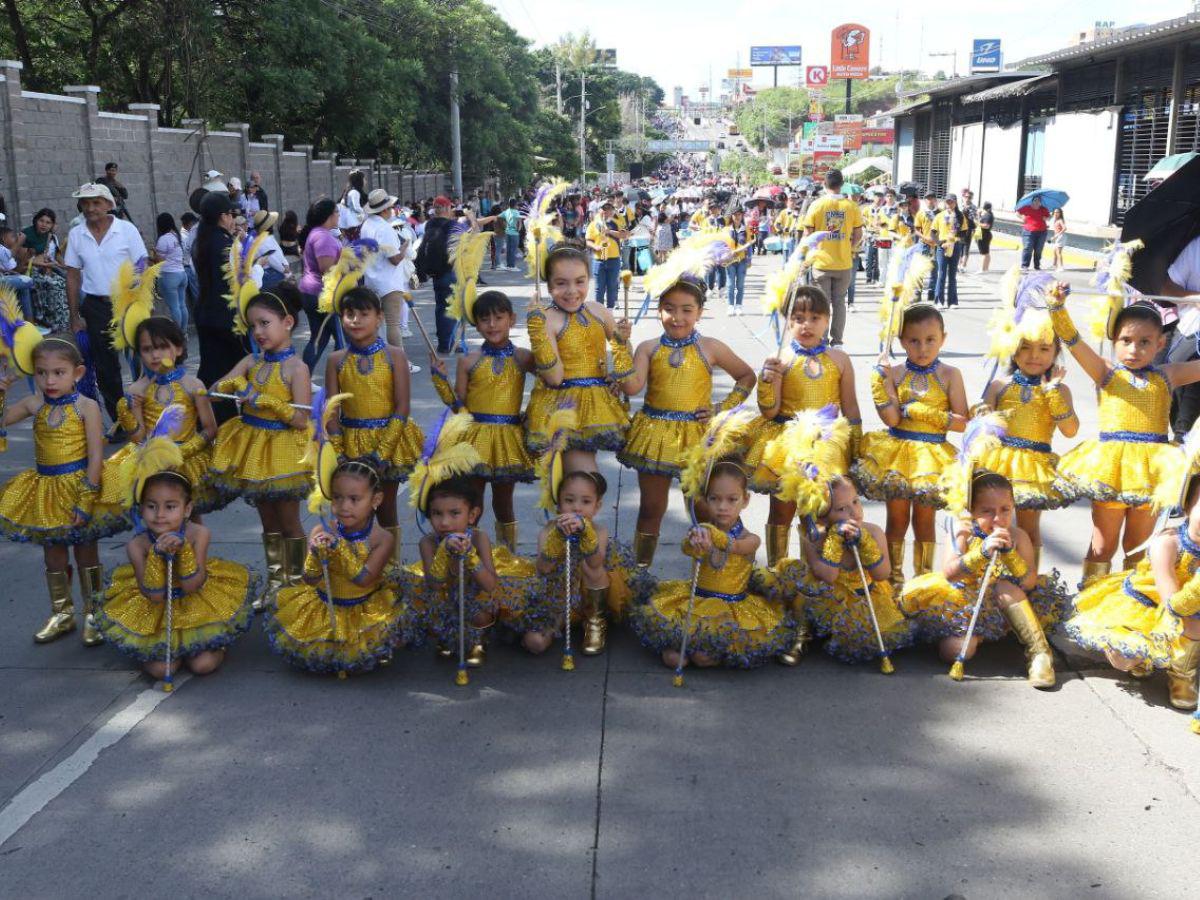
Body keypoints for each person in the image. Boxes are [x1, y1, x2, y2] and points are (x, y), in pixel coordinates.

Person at [1048, 288, 1200, 584]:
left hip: (1152, 471)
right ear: (1114, 341)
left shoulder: (1167, 375)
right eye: (1126, 340)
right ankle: (1090, 598)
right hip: (1111, 470)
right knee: (1102, 545)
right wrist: (1057, 307)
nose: (1134, 349)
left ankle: (1128, 599)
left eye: (1145, 342)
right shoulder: (1105, 373)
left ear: (1160, 343)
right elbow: (1072, 341)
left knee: (1137, 548)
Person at [617, 270, 755, 568]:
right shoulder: (648, 348)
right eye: (669, 309)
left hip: (697, 438)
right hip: (654, 437)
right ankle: (640, 571)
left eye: (687, 310)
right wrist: (620, 347)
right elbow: (631, 387)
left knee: (703, 507)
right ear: (659, 311)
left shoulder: (710, 347)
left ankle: (712, 571)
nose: (677, 317)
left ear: (700, 312)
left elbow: (746, 376)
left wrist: (722, 408)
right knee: (651, 507)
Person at [96, 443, 254, 681]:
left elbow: (192, 585)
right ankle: (148, 648)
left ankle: (217, 641)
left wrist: (184, 552)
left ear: (187, 509)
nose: (160, 515)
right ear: (141, 509)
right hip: (157, 608)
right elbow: (154, 595)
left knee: (203, 665)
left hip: (195, 603)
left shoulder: (199, 534)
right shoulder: (137, 546)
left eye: (170, 507)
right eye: (151, 506)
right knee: (162, 670)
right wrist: (156, 556)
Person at [1065, 445, 1200, 711]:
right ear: (1186, 506)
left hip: (1189, 610)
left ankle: (1182, 671)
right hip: (1149, 606)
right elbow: (1172, 606)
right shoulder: (1168, 544)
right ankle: (1164, 665)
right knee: (1125, 659)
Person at [900, 472, 1065, 688]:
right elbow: (950, 573)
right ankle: (980, 635)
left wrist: (1009, 554)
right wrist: (982, 553)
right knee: (955, 652)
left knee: (1004, 586)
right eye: (987, 511)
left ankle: (1040, 653)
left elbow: (1029, 582)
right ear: (971, 511)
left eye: (1005, 509)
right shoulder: (963, 532)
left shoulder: (1018, 536)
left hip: (1005, 605)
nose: (998, 519)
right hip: (964, 606)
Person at [629, 450, 787, 671]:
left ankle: (703, 651)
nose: (722, 507)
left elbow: (735, 546)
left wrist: (712, 536)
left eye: (732, 499)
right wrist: (695, 541)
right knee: (674, 658)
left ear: (745, 500)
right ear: (705, 499)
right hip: (697, 601)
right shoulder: (703, 532)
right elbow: (687, 548)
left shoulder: (749, 539)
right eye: (715, 498)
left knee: (703, 657)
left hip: (730, 609)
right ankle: (681, 647)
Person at [0, 336, 108, 645]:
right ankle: (62, 613)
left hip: (79, 489)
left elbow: (96, 456)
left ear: (77, 373)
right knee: (53, 555)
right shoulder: (34, 404)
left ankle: (94, 613)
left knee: (86, 551)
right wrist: (2, 392)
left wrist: (86, 499)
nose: (49, 381)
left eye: (59, 372)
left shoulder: (86, 407)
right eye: (41, 373)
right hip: (46, 492)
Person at [209, 288, 314, 605]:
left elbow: (301, 419)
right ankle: (275, 581)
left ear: (287, 322)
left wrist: (268, 401)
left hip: (284, 453)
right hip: (253, 451)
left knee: (289, 521)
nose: (258, 332)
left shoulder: (296, 368)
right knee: (268, 521)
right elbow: (215, 391)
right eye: (252, 325)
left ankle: (297, 586)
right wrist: (236, 383)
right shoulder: (250, 360)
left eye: (264, 323)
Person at [853, 304, 968, 592]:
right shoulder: (895, 373)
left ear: (943, 338)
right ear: (901, 341)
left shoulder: (951, 374)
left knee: (925, 520)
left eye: (930, 340)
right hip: (898, 456)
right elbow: (892, 418)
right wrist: (879, 383)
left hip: (933, 458)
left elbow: (962, 422)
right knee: (897, 519)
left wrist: (922, 412)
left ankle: (923, 579)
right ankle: (892, 582)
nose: (922, 348)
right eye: (914, 341)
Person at [745, 286, 859, 571]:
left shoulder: (840, 360)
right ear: (788, 322)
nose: (806, 325)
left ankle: (818, 571)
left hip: (827, 447)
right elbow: (770, 410)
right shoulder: (780, 359)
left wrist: (857, 448)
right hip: (788, 448)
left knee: (823, 511)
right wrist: (767, 381)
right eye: (798, 318)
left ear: (828, 320)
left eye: (814, 318)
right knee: (781, 511)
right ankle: (778, 571)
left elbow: (851, 408)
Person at [266, 457, 408, 675]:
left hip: (364, 608)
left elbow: (364, 579)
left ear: (376, 499)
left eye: (354, 499)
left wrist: (339, 548)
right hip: (326, 604)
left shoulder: (382, 538)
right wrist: (316, 554)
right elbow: (310, 579)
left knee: (378, 642)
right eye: (337, 497)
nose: (343, 507)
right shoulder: (321, 531)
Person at [976, 298, 1079, 571]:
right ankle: (992, 572)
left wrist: (1052, 393)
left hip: (1034, 467)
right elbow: (982, 421)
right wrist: (983, 412)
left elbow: (1070, 430)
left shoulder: (1060, 390)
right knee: (992, 522)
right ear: (1012, 349)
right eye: (1025, 347)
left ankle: (1029, 579)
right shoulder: (1000, 385)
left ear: (1056, 351)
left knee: (1029, 527)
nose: (1034, 356)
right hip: (998, 463)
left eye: (1044, 349)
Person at [429, 290, 535, 551]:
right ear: (476, 324)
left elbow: (549, 382)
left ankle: (507, 553)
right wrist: (440, 381)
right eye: (485, 319)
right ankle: (466, 550)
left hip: (507, 439)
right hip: (473, 440)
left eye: (499, 318)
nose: (492, 324)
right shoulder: (468, 361)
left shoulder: (522, 357)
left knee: (504, 500)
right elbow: (459, 405)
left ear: (512, 319)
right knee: (472, 499)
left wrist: (533, 415)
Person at [324, 285, 423, 557]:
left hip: (388, 441)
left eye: (364, 314)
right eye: (349, 314)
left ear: (379, 317)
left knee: (386, 508)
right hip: (350, 444)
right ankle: (355, 564)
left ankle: (391, 567)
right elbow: (331, 411)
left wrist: (382, 454)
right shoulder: (336, 360)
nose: (356, 320)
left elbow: (402, 407)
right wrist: (340, 453)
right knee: (353, 511)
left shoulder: (395, 355)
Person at [99, 316, 223, 522]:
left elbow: (210, 428)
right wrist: (128, 411)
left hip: (186, 461)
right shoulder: (137, 390)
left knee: (191, 518)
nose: (155, 355)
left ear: (179, 349)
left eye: (162, 347)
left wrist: (182, 451)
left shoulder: (192, 385)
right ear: (139, 354)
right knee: (157, 518)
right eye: (147, 349)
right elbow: (138, 438)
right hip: (151, 464)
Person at [784, 474, 912, 665]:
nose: (854, 512)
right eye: (842, 509)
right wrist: (834, 541)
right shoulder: (815, 538)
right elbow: (828, 575)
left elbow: (882, 574)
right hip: (830, 597)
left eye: (855, 501)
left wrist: (866, 544)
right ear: (823, 516)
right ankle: (802, 636)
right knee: (801, 596)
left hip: (865, 596)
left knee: (867, 637)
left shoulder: (874, 532)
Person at [524, 244, 631, 471]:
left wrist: (617, 372)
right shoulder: (546, 319)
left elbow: (623, 354)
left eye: (580, 281)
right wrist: (537, 334)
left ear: (589, 280)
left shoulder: (599, 311)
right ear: (548, 285)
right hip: (561, 408)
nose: (572, 291)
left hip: (596, 405)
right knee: (579, 475)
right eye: (561, 283)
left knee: (580, 477)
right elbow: (554, 377)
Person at [522, 449, 635, 658]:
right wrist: (556, 538)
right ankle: (560, 622)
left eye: (585, 502)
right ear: (558, 504)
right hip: (559, 598)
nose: (577, 508)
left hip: (589, 597)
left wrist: (585, 534)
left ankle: (594, 621)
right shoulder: (548, 530)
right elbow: (543, 568)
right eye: (569, 500)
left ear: (597, 506)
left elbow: (595, 563)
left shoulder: (599, 530)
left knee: (593, 569)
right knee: (534, 642)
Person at [64, 182, 149, 428]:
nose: (90, 208)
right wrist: (74, 316)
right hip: (96, 306)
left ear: (109, 204)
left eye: (96, 202)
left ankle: (149, 412)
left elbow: (142, 263)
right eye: (85, 203)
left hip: (128, 303)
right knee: (105, 366)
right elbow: (72, 275)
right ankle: (120, 420)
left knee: (144, 357)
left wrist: (139, 295)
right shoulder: (76, 234)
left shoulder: (126, 229)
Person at [191, 191, 242, 423]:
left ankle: (204, 417)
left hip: (205, 311)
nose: (233, 219)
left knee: (211, 367)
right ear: (223, 216)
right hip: (225, 314)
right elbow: (237, 279)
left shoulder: (201, 240)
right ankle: (224, 422)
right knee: (229, 372)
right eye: (231, 214)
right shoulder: (224, 243)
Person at [802, 170, 863, 347]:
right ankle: (837, 342)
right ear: (842, 185)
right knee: (839, 303)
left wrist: (807, 255)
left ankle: (821, 340)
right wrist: (849, 247)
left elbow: (807, 233)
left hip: (821, 263)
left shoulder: (817, 205)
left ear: (824, 184)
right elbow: (858, 234)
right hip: (843, 263)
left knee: (822, 304)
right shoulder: (851, 206)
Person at [358, 190, 414, 348]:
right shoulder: (385, 228)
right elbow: (394, 259)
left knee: (376, 325)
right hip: (389, 283)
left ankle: (379, 355)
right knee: (393, 324)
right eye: (390, 207)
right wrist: (404, 247)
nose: (392, 210)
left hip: (371, 280)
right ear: (384, 210)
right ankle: (398, 358)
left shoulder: (366, 225)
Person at [298, 199, 343, 370]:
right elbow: (327, 270)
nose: (338, 215)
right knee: (343, 338)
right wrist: (348, 266)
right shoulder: (323, 237)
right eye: (337, 211)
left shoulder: (317, 233)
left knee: (319, 338)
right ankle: (341, 377)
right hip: (323, 295)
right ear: (329, 215)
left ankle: (304, 376)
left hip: (312, 292)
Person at [414, 196, 456, 354]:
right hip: (449, 270)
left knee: (440, 307)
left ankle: (443, 341)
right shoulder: (451, 225)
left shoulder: (429, 224)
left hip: (435, 271)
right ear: (446, 208)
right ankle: (447, 343)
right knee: (450, 308)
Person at [21, 208, 69, 333]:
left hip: (46, 269)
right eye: (41, 221)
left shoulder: (50, 236)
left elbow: (57, 256)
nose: (44, 225)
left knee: (62, 283)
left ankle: (59, 320)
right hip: (30, 271)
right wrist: (44, 264)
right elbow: (22, 261)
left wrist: (64, 266)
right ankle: (43, 318)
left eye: (48, 222)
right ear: (36, 220)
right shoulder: (26, 235)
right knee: (51, 284)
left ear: (52, 225)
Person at [584, 200, 626, 309]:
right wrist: (595, 247)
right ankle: (599, 312)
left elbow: (624, 235)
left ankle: (610, 311)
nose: (607, 212)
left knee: (612, 287)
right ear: (600, 210)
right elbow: (588, 241)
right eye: (604, 209)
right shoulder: (593, 224)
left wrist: (609, 231)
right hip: (599, 259)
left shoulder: (618, 221)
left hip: (614, 259)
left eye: (609, 209)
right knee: (599, 288)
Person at [152, 212, 189, 332]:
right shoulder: (177, 236)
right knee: (182, 305)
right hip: (182, 274)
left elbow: (159, 261)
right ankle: (184, 332)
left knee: (174, 307)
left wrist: (154, 255)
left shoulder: (163, 239)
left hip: (169, 275)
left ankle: (177, 333)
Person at [932, 194, 963, 308]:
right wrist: (941, 244)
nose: (950, 204)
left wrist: (956, 237)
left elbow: (965, 232)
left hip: (955, 246)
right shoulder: (939, 216)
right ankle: (938, 301)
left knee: (952, 275)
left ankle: (953, 302)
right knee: (941, 274)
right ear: (945, 203)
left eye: (952, 202)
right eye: (948, 202)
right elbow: (933, 233)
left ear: (955, 203)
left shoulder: (960, 216)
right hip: (943, 246)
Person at [0, 227, 35, 321]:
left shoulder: (6, 251)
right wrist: (19, 242)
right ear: (4, 239)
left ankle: (28, 321)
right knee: (28, 281)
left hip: (4, 278)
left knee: (24, 287)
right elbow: (13, 266)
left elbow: (15, 270)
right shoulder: (3, 249)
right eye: (12, 237)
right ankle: (29, 320)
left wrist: (27, 256)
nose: (15, 239)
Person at [250, 210, 288, 291]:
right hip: (270, 276)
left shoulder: (266, 238)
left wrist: (285, 265)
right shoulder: (264, 241)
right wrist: (287, 271)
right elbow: (275, 262)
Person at [724, 208, 751, 314]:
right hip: (730, 261)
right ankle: (730, 305)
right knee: (731, 284)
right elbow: (722, 245)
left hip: (742, 261)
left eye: (739, 214)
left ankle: (739, 305)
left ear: (742, 216)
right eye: (735, 215)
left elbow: (749, 245)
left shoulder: (746, 229)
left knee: (740, 284)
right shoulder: (726, 229)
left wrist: (749, 259)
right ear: (732, 216)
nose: (737, 217)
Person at [1017, 195, 1051, 270]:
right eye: (1035, 200)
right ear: (1032, 201)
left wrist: (1046, 218)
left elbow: (1049, 217)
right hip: (1028, 232)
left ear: (1040, 202)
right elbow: (1017, 212)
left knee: (1038, 249)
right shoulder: (1026, 208)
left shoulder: (1043, 209)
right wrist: (1022, 217)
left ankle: (1037, 265)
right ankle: (1025, 265)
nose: (1037, 202)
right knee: (1028, 247)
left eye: (1038, 200)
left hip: (1042, 232)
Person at [338, 170, 366, 237]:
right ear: (359, 181)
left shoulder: (348, 191)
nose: (365, 181)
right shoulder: (354, 192)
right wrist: (365, 213)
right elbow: (356, 207)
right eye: (364, 179)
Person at [499, 198, 523, 271]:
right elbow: (519, 221)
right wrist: (519, 229)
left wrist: (504, 225)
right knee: (513, 250)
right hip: (514, 233)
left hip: (507, 232)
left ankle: (509, 265)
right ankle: (512, 266)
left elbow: (499, 217)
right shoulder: (516, 212)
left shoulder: (506, 211)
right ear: (515, 205)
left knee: (509, 249)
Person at [958, 188, 978, 272]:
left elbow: (974, 218)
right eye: (966, 196)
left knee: (966, 248)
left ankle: (963, 266)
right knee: (959, 247)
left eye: (969, 197)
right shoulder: (959, 205)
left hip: (968, 229)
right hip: (959, 229)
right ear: (963, 196)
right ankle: (959, 264)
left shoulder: (973, 207)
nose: (967, 198)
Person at [976, 201, 994, 273]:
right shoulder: (988, 214)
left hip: (984, 235)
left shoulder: (988, 215)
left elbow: (986, 226)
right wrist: (979, 215)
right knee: (986, 253)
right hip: (984, 234)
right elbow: (981, 221)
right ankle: (986, 269)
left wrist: (977, 223)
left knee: (984, 253)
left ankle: (983, 269)